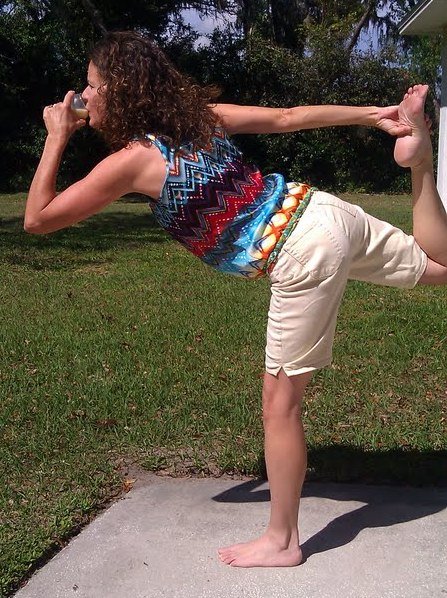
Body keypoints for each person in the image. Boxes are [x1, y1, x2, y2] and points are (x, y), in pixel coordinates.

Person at [24, 31, 447, 568]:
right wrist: (375, 115)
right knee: (441, 269)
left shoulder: (133, 161)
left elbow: (38, 218)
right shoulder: (197, 116)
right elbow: (288, 117)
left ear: (122, 90)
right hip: (321, 211)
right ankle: (422, 166)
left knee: (280, 406)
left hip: (299, 251)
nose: (86, 97)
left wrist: (56, 135)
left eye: (92, 86)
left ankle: (282, 541)